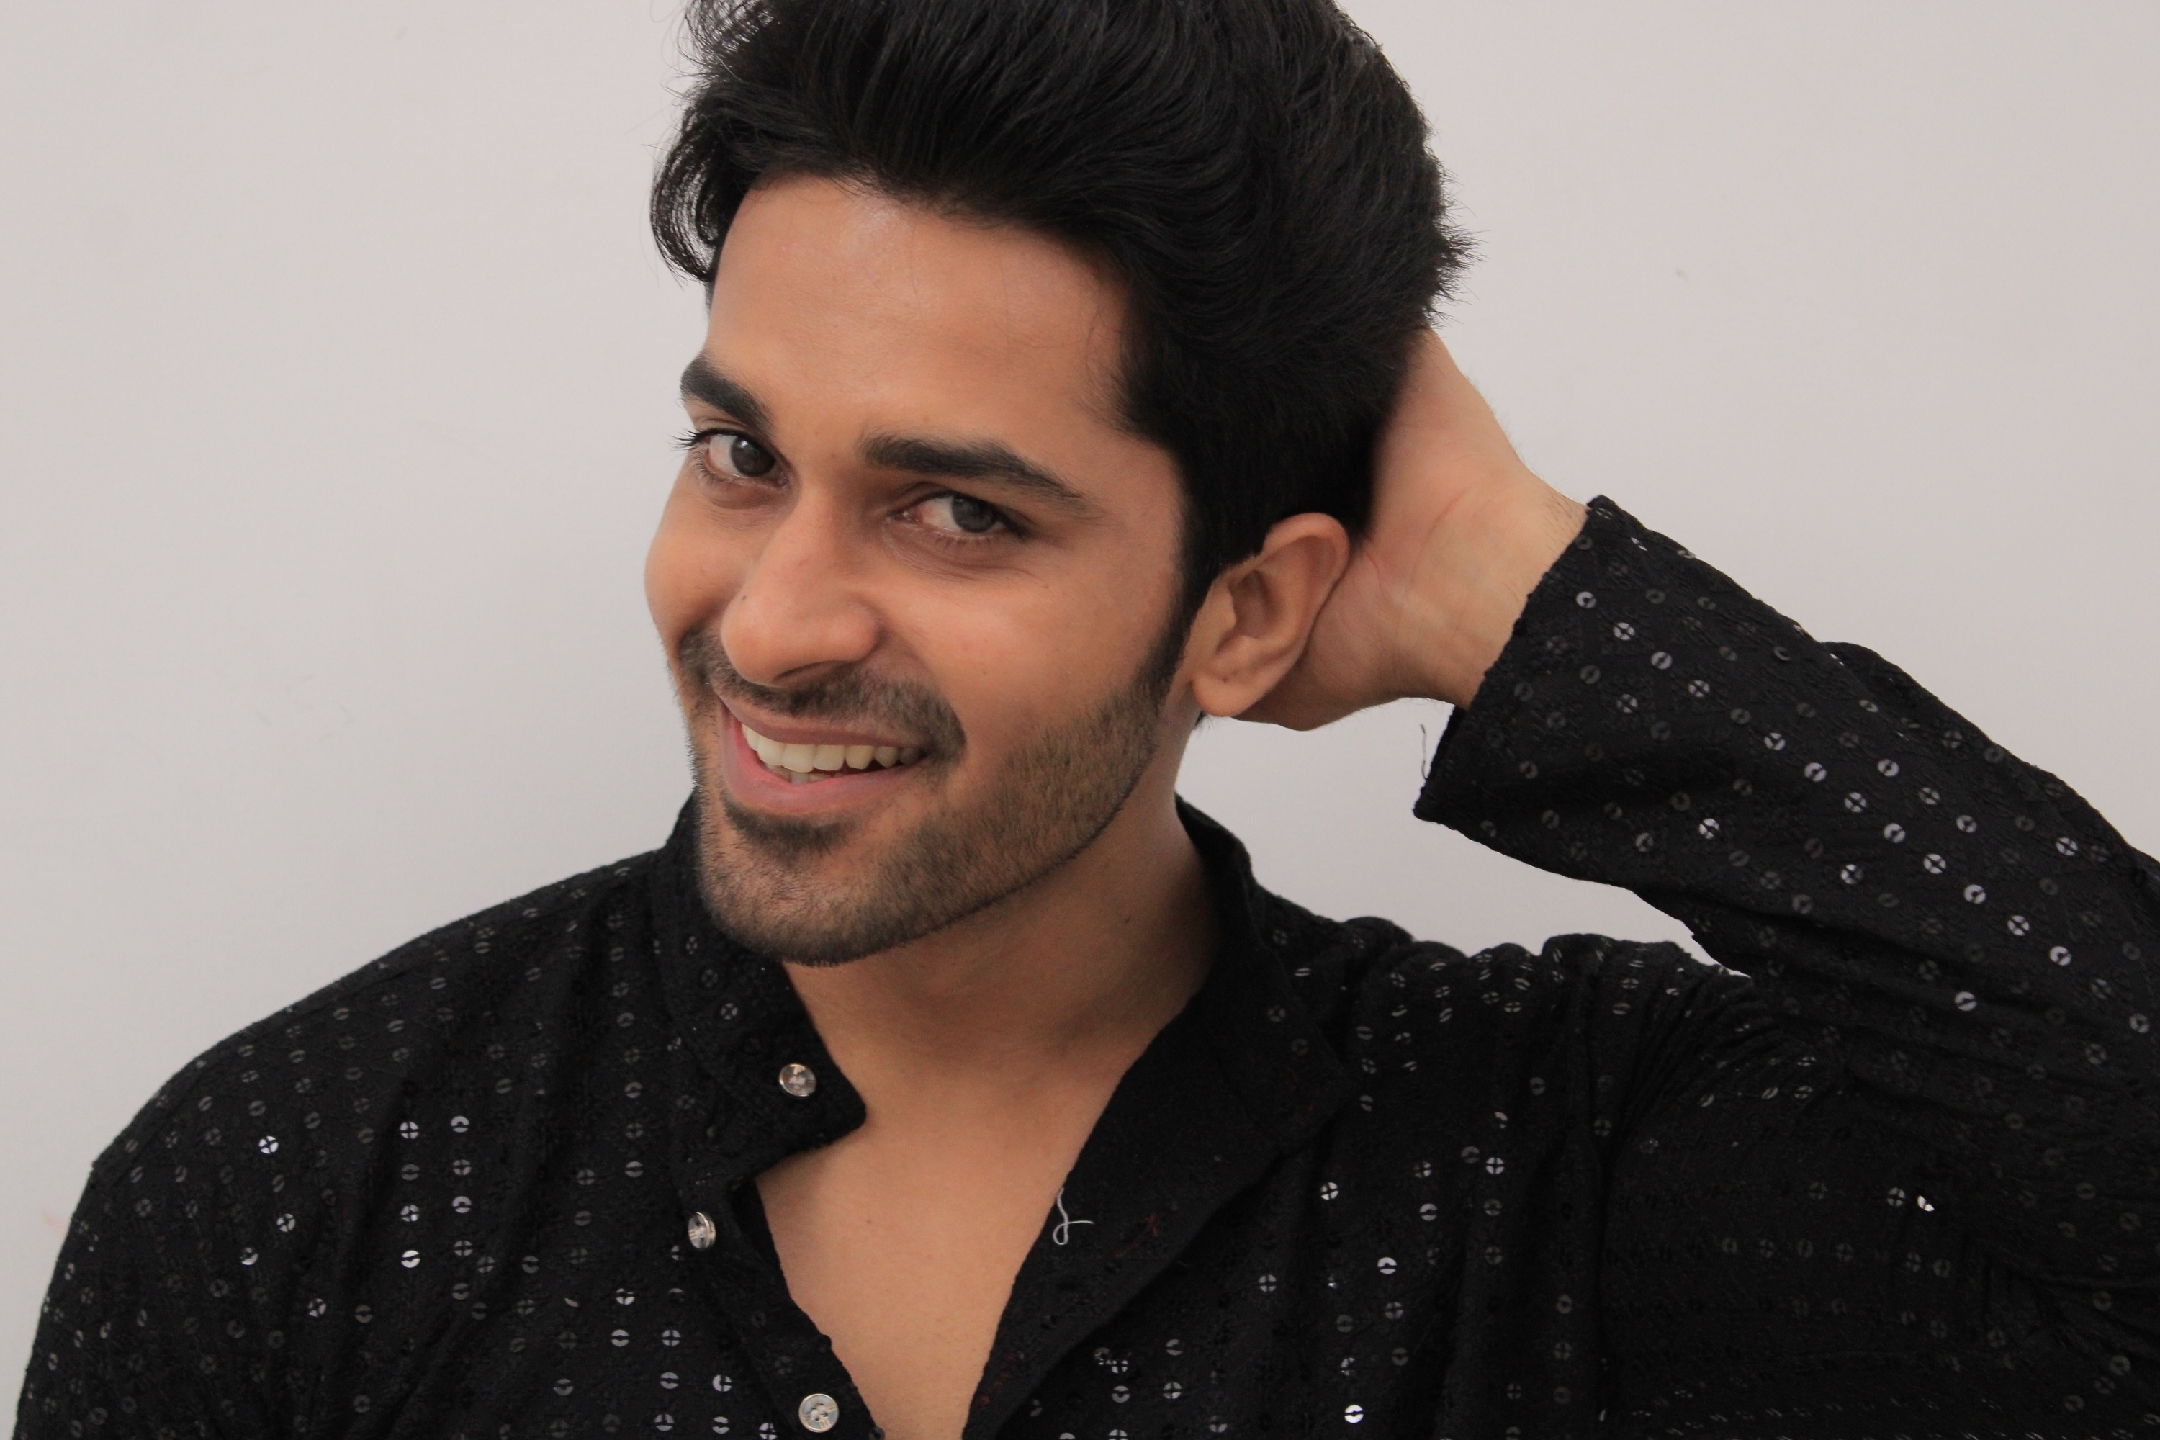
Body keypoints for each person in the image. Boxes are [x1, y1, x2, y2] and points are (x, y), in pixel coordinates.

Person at [16, 0, 2158, 1435]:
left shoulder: (1549, 1166)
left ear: (1248, 615)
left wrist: (1510, 584)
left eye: (956, 510)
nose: (770, 621)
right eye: (740, 455)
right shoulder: (300, 1179)